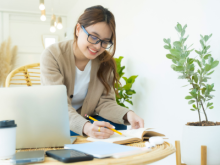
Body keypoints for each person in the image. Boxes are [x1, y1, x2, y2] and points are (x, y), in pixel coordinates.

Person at [40, 5, 144, 139]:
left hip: (88, 118)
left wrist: (128, 114)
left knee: (118, 127)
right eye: (94, 37)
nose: (97, 46)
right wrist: (86, 127)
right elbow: (57, 105)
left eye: (105, 42)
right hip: (58, 119)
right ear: (78, 29)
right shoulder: (52, 55)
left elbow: (105, 103)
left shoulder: (105, 62)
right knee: (69, 133)